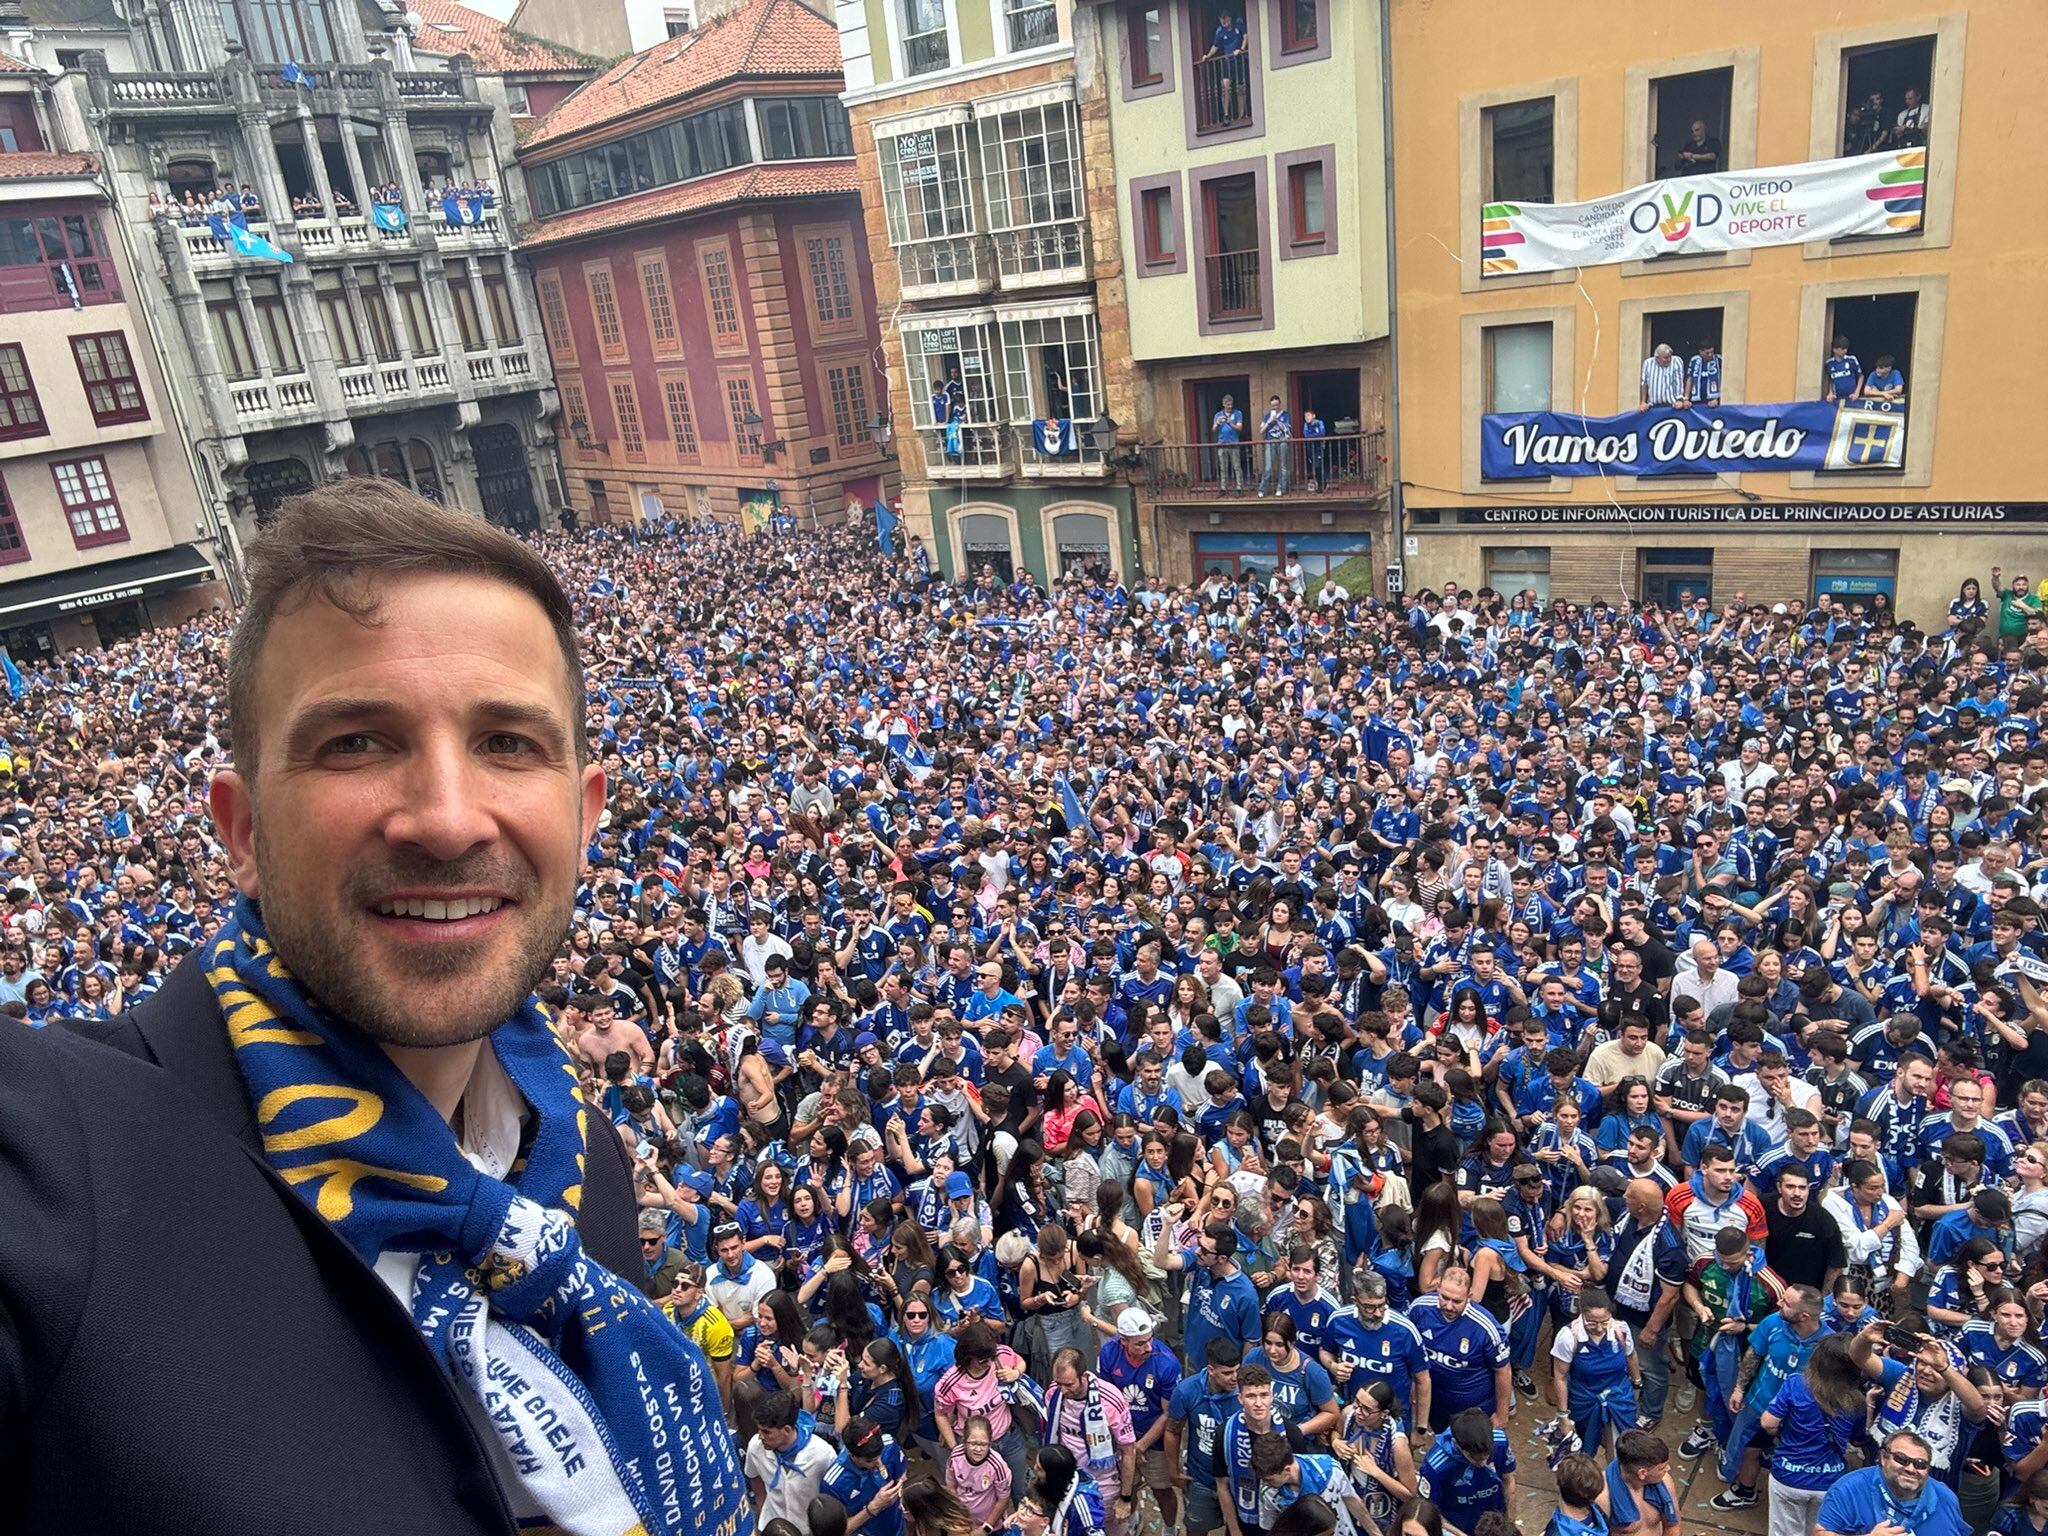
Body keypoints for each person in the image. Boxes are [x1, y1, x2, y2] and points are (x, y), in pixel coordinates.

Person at [0, 481, 742, 1534]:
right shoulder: (57, 1168)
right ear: (242, 828)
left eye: (508, 743)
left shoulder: (590, 1179)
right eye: (356, 741)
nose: (444, 818)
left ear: (581, 820)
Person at [1814, 1427, 1966, 1536]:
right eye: (1902, 1459)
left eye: (1920, 1464)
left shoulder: (1945, 1498)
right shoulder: (1849, 1489)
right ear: (1883, 1458)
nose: (1911, 1469)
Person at [1414, 1408, 1515, 1536]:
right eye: (1474, 1458)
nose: (1482, 1464)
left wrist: (1510, 1523)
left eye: (1486, 1456)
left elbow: (1509, 1479)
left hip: (1495, 1524)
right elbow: (1429, 1511)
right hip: (1456, 1526)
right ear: (1457, 1444)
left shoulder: (1500, 1442)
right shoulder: (1435, 1466)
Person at [1257, 397, 1292, 498]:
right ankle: (1262, 489)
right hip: (1270, 441)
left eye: (1276, 405)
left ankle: (1281, 488)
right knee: (1268, 467)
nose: (1275, 407)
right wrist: (1269, 421)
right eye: (1273, 406)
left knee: (1283, 466)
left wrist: (1276, 420)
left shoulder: (1285, 415)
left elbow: (1287, 429)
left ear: (1280, 404)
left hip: (1282, 441)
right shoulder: (1267, 416)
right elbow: (1261, 431)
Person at [1212, 394, 1246, 493]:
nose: (1230, 407)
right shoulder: (1218, 415)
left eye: (1231, 404)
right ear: (1223, 404)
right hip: (1222, 443)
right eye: (1227, 405)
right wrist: (1217, 423)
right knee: (1223, 468)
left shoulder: (1238, 413)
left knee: (1237, 467)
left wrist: (1229, 422)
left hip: (1234, 443)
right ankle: (1223, 488)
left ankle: (1239, 487)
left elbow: (1240, 428)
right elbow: (1213, 429)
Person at [1639, 345, 1686, 409]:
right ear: (1657, 357)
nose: (1669, 360)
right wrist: (1643, 402)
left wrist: (1679, 400)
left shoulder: (1677, 361)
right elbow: (1644, 383)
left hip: (1672, 405)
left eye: (1670, 357)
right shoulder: (1648, 363)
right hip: (1653, 405)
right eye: (1666, 358)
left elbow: (1678, 381)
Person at [1823, 335, 1864, 403]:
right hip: (1837, 398)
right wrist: (1830, 393)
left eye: (1846, 348)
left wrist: (1857, 393)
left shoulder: (1852, 360)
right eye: (1842, 348)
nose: (1845, 350)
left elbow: (1861, 376)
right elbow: (1831, 380)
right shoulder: (1829, 363)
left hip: (1851, 397)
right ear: (1834, 350)